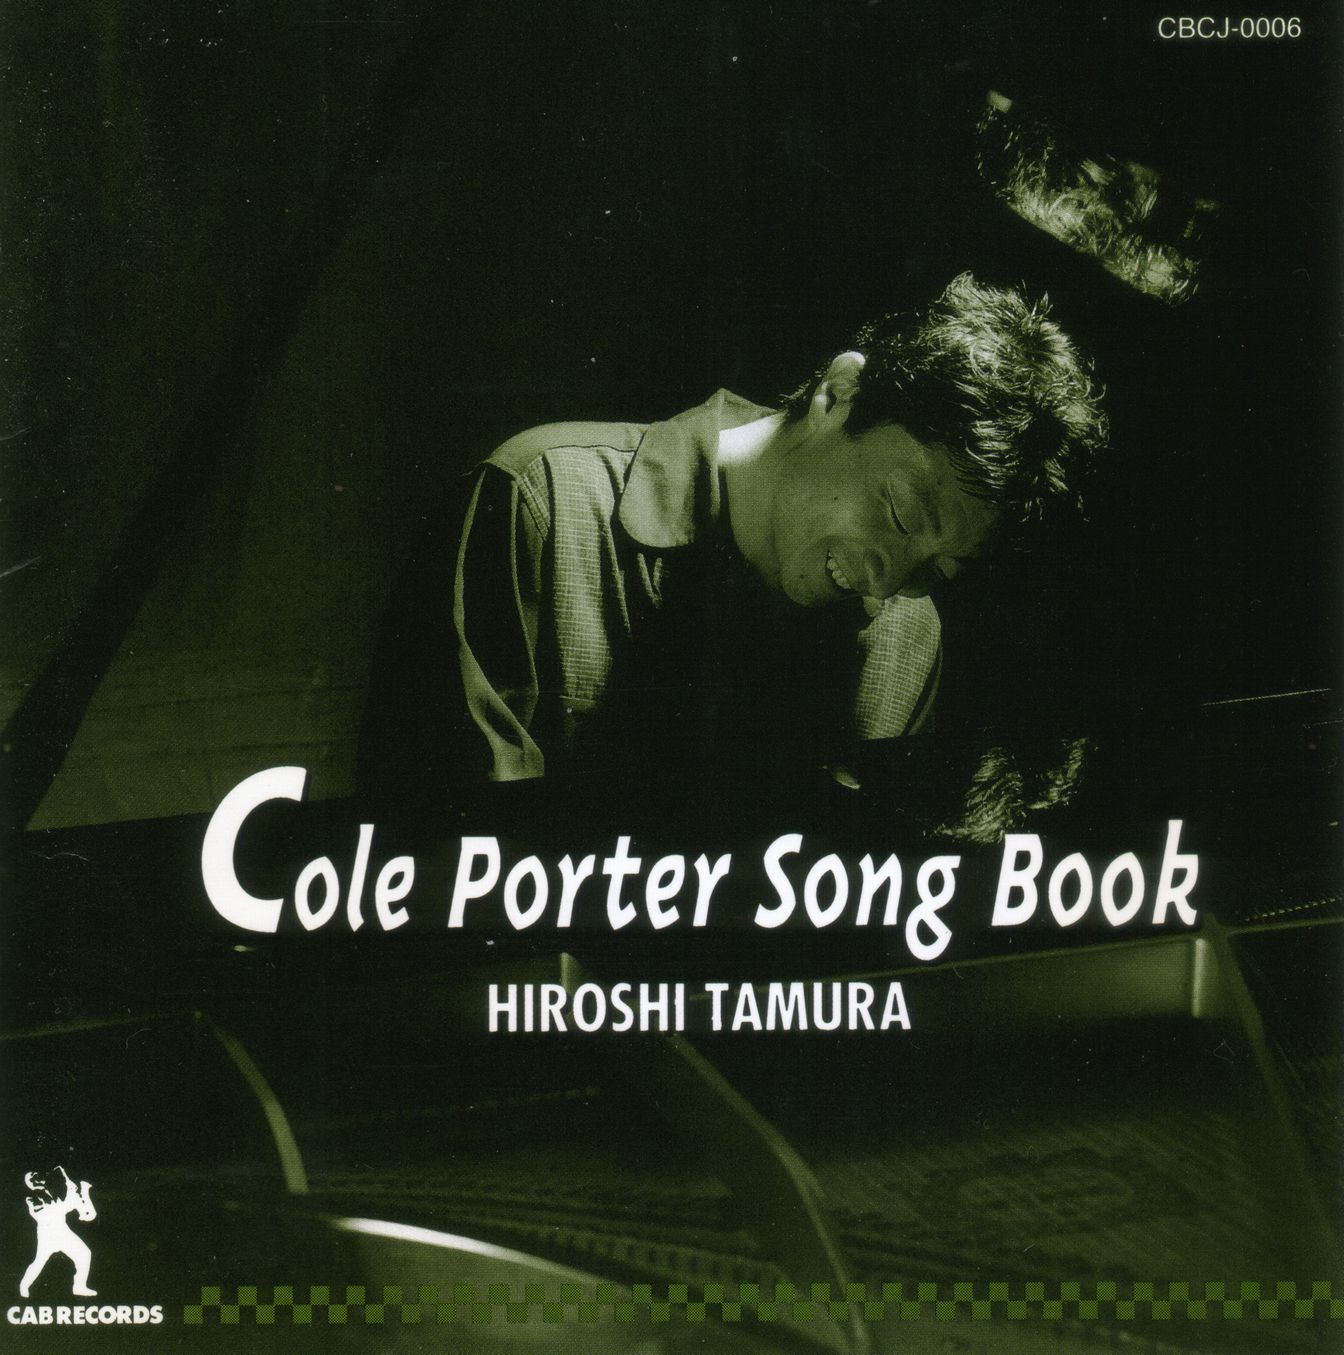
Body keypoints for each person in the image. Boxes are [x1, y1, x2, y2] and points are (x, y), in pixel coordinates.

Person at [361, 273, 1106, 797]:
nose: (887, 585)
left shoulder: (909, 638)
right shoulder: (541, 502)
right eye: (904, 515)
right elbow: (447, 869)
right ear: (838, 393)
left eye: (937, 568)